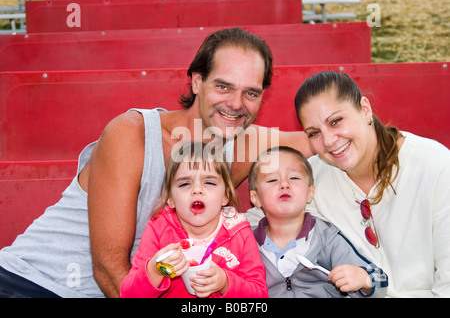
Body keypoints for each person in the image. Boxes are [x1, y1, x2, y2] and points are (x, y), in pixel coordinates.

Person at [0, 27, 312, 297]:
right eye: (223, 86)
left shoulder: (243, 143)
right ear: (196, 81)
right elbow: (108, 269)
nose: (235, 104)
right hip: (29, 281)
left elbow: (328, 139)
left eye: (251, 93)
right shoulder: (132, 133)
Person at [294, 71, 450, 297]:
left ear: (365, 109)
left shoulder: (435, 166)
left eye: (336, 121)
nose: (328, 141)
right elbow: (271, 220)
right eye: (314, 133)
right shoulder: (312, 178)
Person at [120, 142, 268, 298]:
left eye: (209, 182)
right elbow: (128, 294)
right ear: (170, 198)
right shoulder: (159, 227)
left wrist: (225, 283)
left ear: (225, 196)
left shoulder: (239, 232)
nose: (197, 189)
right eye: (185, 184)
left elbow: (259, 295)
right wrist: (155, 270)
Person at [248, 146, 387, 298]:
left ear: (310, 193)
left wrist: (364, 280)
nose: (284, 184)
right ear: (255, 198)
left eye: (294, 178)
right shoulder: (245, 243)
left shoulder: (327, 238)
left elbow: (380, 281)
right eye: (272, 180)